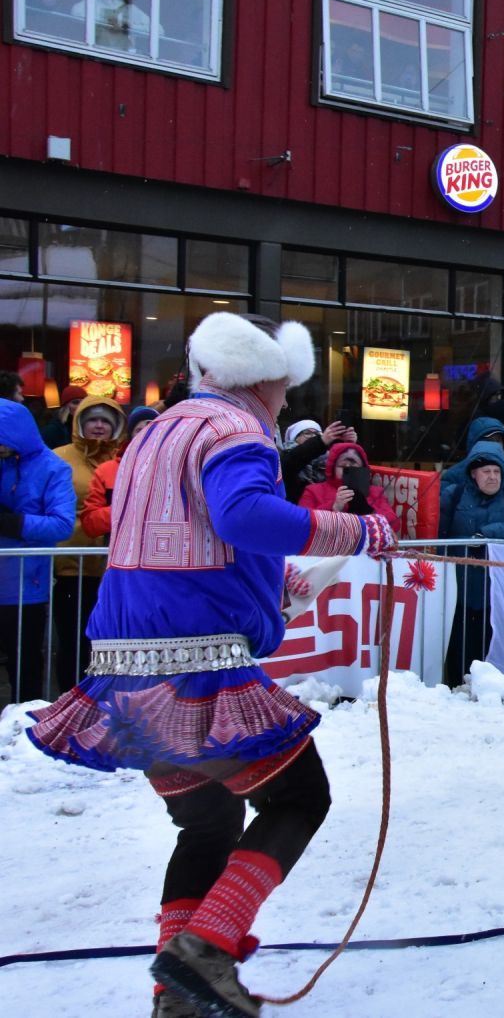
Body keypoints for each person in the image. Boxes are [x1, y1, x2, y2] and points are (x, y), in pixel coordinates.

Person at [26, 312, 395, 1018]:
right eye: (284, 387)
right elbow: (242, 516)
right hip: (196, 663)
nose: (285, 402)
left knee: (207, 825)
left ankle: (179, 995)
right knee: (299, 799)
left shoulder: (155, 432)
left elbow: (189, 534)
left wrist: (273, 582)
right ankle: (205, 952)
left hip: (125, 667)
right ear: (263, 380)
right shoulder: (238, 430)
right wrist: (357, 530)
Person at [439, 437, 504, 687]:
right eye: (486, 471)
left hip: (496, 589)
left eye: (496, 471)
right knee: (458, 641)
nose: (492, 477)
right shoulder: (453, 494)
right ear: (473, 473)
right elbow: (438, 533)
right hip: (458, 585)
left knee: (491, 641)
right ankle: (456, 686)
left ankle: (490, 687)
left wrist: (484, 534)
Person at [0, 400, 75, 705]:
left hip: (24, 587)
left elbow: (62, 524)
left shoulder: (53, 468)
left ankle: (25, 723)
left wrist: (14, 523)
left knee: (25, 667)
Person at [51, 395, 127, 680]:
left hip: (115, 565)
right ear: (79, 423)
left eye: (105, 421)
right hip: (72, 561)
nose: (98, 426)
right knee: (72, 638)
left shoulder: (127, 459)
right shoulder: (59, 457)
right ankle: (70, 693)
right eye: (91, 419)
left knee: (109, 641)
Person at [79, 405, 160, 543]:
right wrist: (125, 509)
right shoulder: (106, 471)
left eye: (152, 430)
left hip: (160, 550)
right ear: (130, 436)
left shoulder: (174, 471)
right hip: (117, 552)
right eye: (139, 430)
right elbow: (90, 524)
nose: (146, 435)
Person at [297, 442, 401, 534]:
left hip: (366, 546)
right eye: (343, 467)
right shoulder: (313, 491)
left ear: (363, 469)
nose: (349, 470)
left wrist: (370, 511)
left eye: (354, 466)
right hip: (329, 547)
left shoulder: (375, 492)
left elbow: (395, 525)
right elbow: (303, 524)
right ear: (332, 468)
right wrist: (334, 507)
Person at [278, 418, 356, 505]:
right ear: (295, 438)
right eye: (307, 433)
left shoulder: (330, 459)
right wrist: (320, 442)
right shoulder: (285, 457)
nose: (312, 436)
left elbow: (352, 484)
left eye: (316, 434)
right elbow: (294, 460)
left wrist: (350, 447)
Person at [39, 383, 86, 449]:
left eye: (84, 403)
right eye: (75, 402)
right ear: (65, 406)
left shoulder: (87, 428)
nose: (81, 406)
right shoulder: (52, 430)